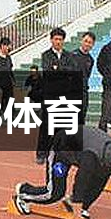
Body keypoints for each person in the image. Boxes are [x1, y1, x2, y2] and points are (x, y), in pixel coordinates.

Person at [14, 126, 111, 219]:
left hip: (80, 148)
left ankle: (73, 204)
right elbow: (79, 188)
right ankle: (23, 192)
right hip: (60, 151)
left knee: (102, 176)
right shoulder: (91, 159)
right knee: (55, 193)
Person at [36, 27, 77, 164]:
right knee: (46, 125)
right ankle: (42, 153)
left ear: (64, 41)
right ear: (51, 40)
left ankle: (60, 152)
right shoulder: (46, 55)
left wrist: (58, 68)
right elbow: (48, 72)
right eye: (56, 39)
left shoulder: (69, 56)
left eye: (60, 39)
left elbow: (72, 72)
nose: (58, 41)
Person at [71, 31, 96, 122]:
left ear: (93, 45)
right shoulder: (72, 55)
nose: (87, 44)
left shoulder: (90, 60)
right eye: (86, 41)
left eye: (90, 42)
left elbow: (87, 75)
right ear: (81, 41)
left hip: (83, 92)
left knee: (81, 118)